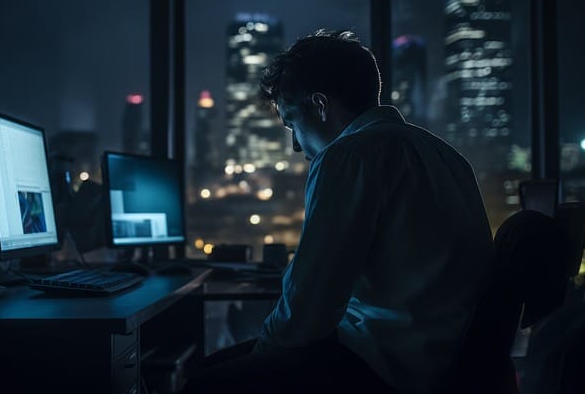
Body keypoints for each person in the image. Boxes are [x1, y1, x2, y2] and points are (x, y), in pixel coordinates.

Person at [184, 30, 494, 393]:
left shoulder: (349, 157)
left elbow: (309, 306)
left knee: (202, 382)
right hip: (446, 363)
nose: (296, 145)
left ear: (320, 104)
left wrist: (264, 356)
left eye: (291, 124)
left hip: (385, 365)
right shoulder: (446, 156)